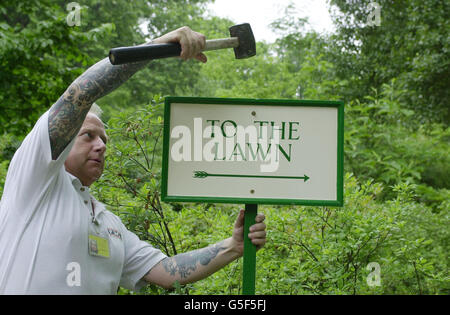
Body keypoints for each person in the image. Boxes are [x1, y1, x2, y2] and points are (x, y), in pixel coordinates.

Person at [0, 27, 266, 294]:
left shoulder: (108, 224)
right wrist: (156, 47)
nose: (101, 145)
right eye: (88, 136)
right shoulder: (35, 181)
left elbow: (165, 271)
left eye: (105, 139)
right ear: (65, 140)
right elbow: (81, 94)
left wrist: (233, 246)